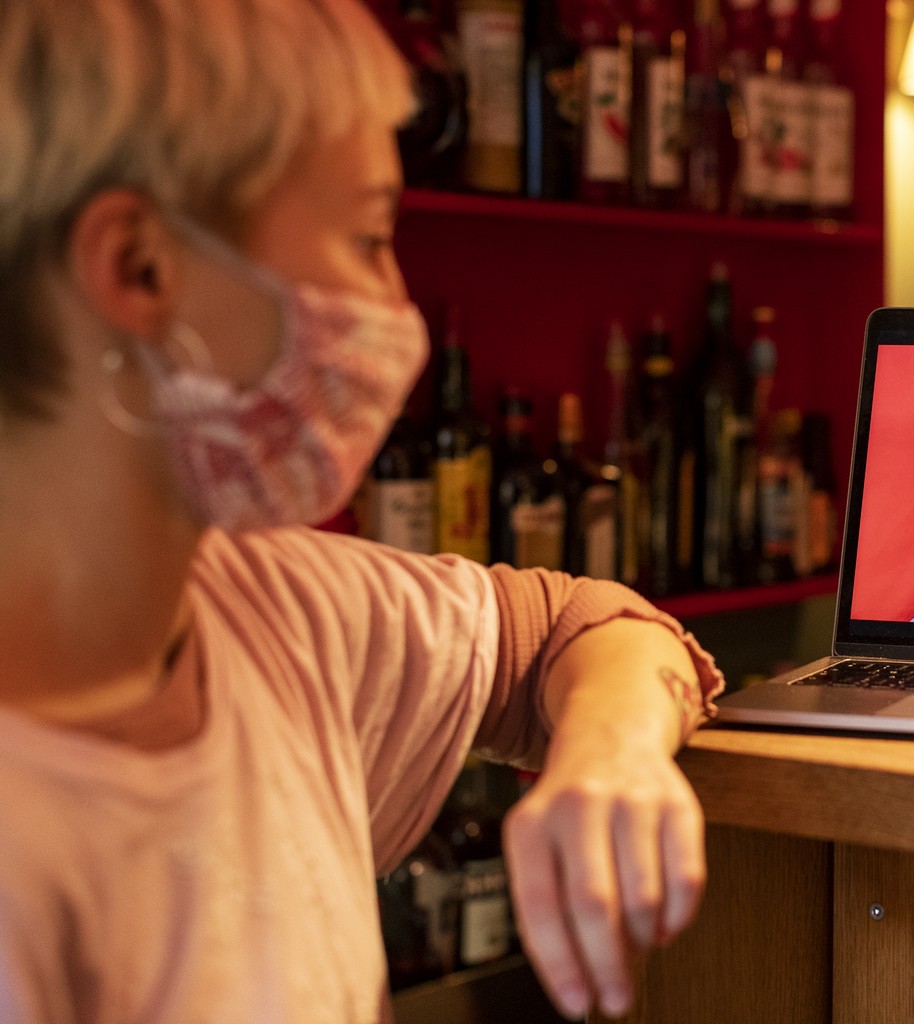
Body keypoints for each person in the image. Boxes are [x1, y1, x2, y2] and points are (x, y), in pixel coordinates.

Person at [0, 2, 723, 1021]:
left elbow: (591, 625)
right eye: (368, 237)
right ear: (139, 267)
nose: (396, 303)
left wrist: (609, 750)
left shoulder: (277, 610)